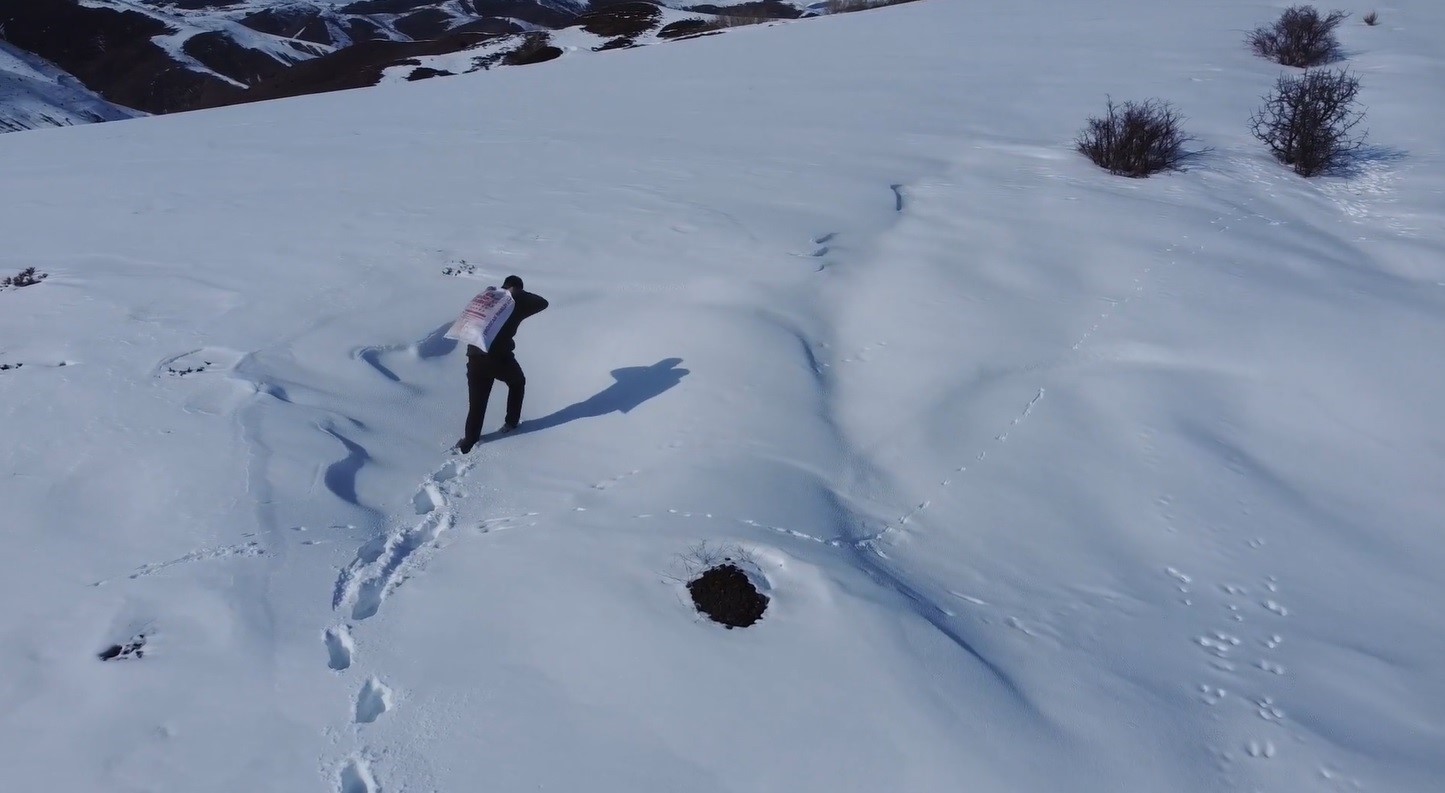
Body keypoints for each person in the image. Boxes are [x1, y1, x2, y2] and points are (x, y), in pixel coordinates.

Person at [456, 275, 548, 453]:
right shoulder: (515, 302)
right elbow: (542, 302)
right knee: (517, 382)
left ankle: (470, 440)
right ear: (518, 288)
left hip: (474, 357)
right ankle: (512, 422)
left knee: (477, 403)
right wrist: (517, 293)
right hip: (499, 358)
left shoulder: (488, 299)